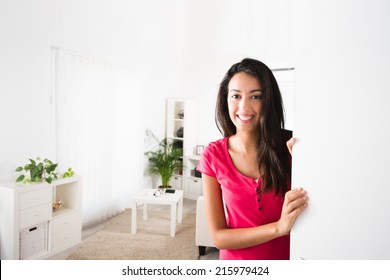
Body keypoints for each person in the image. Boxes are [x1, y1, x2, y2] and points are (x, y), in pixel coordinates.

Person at [196, 58, 308, 260]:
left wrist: (306, 161)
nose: (244, 107)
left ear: (268, 101)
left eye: (255, 97)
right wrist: (278, 228)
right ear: (226, 100)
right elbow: (219, 237)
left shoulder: (292, 146)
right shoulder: (213, 155)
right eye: (236, 96)